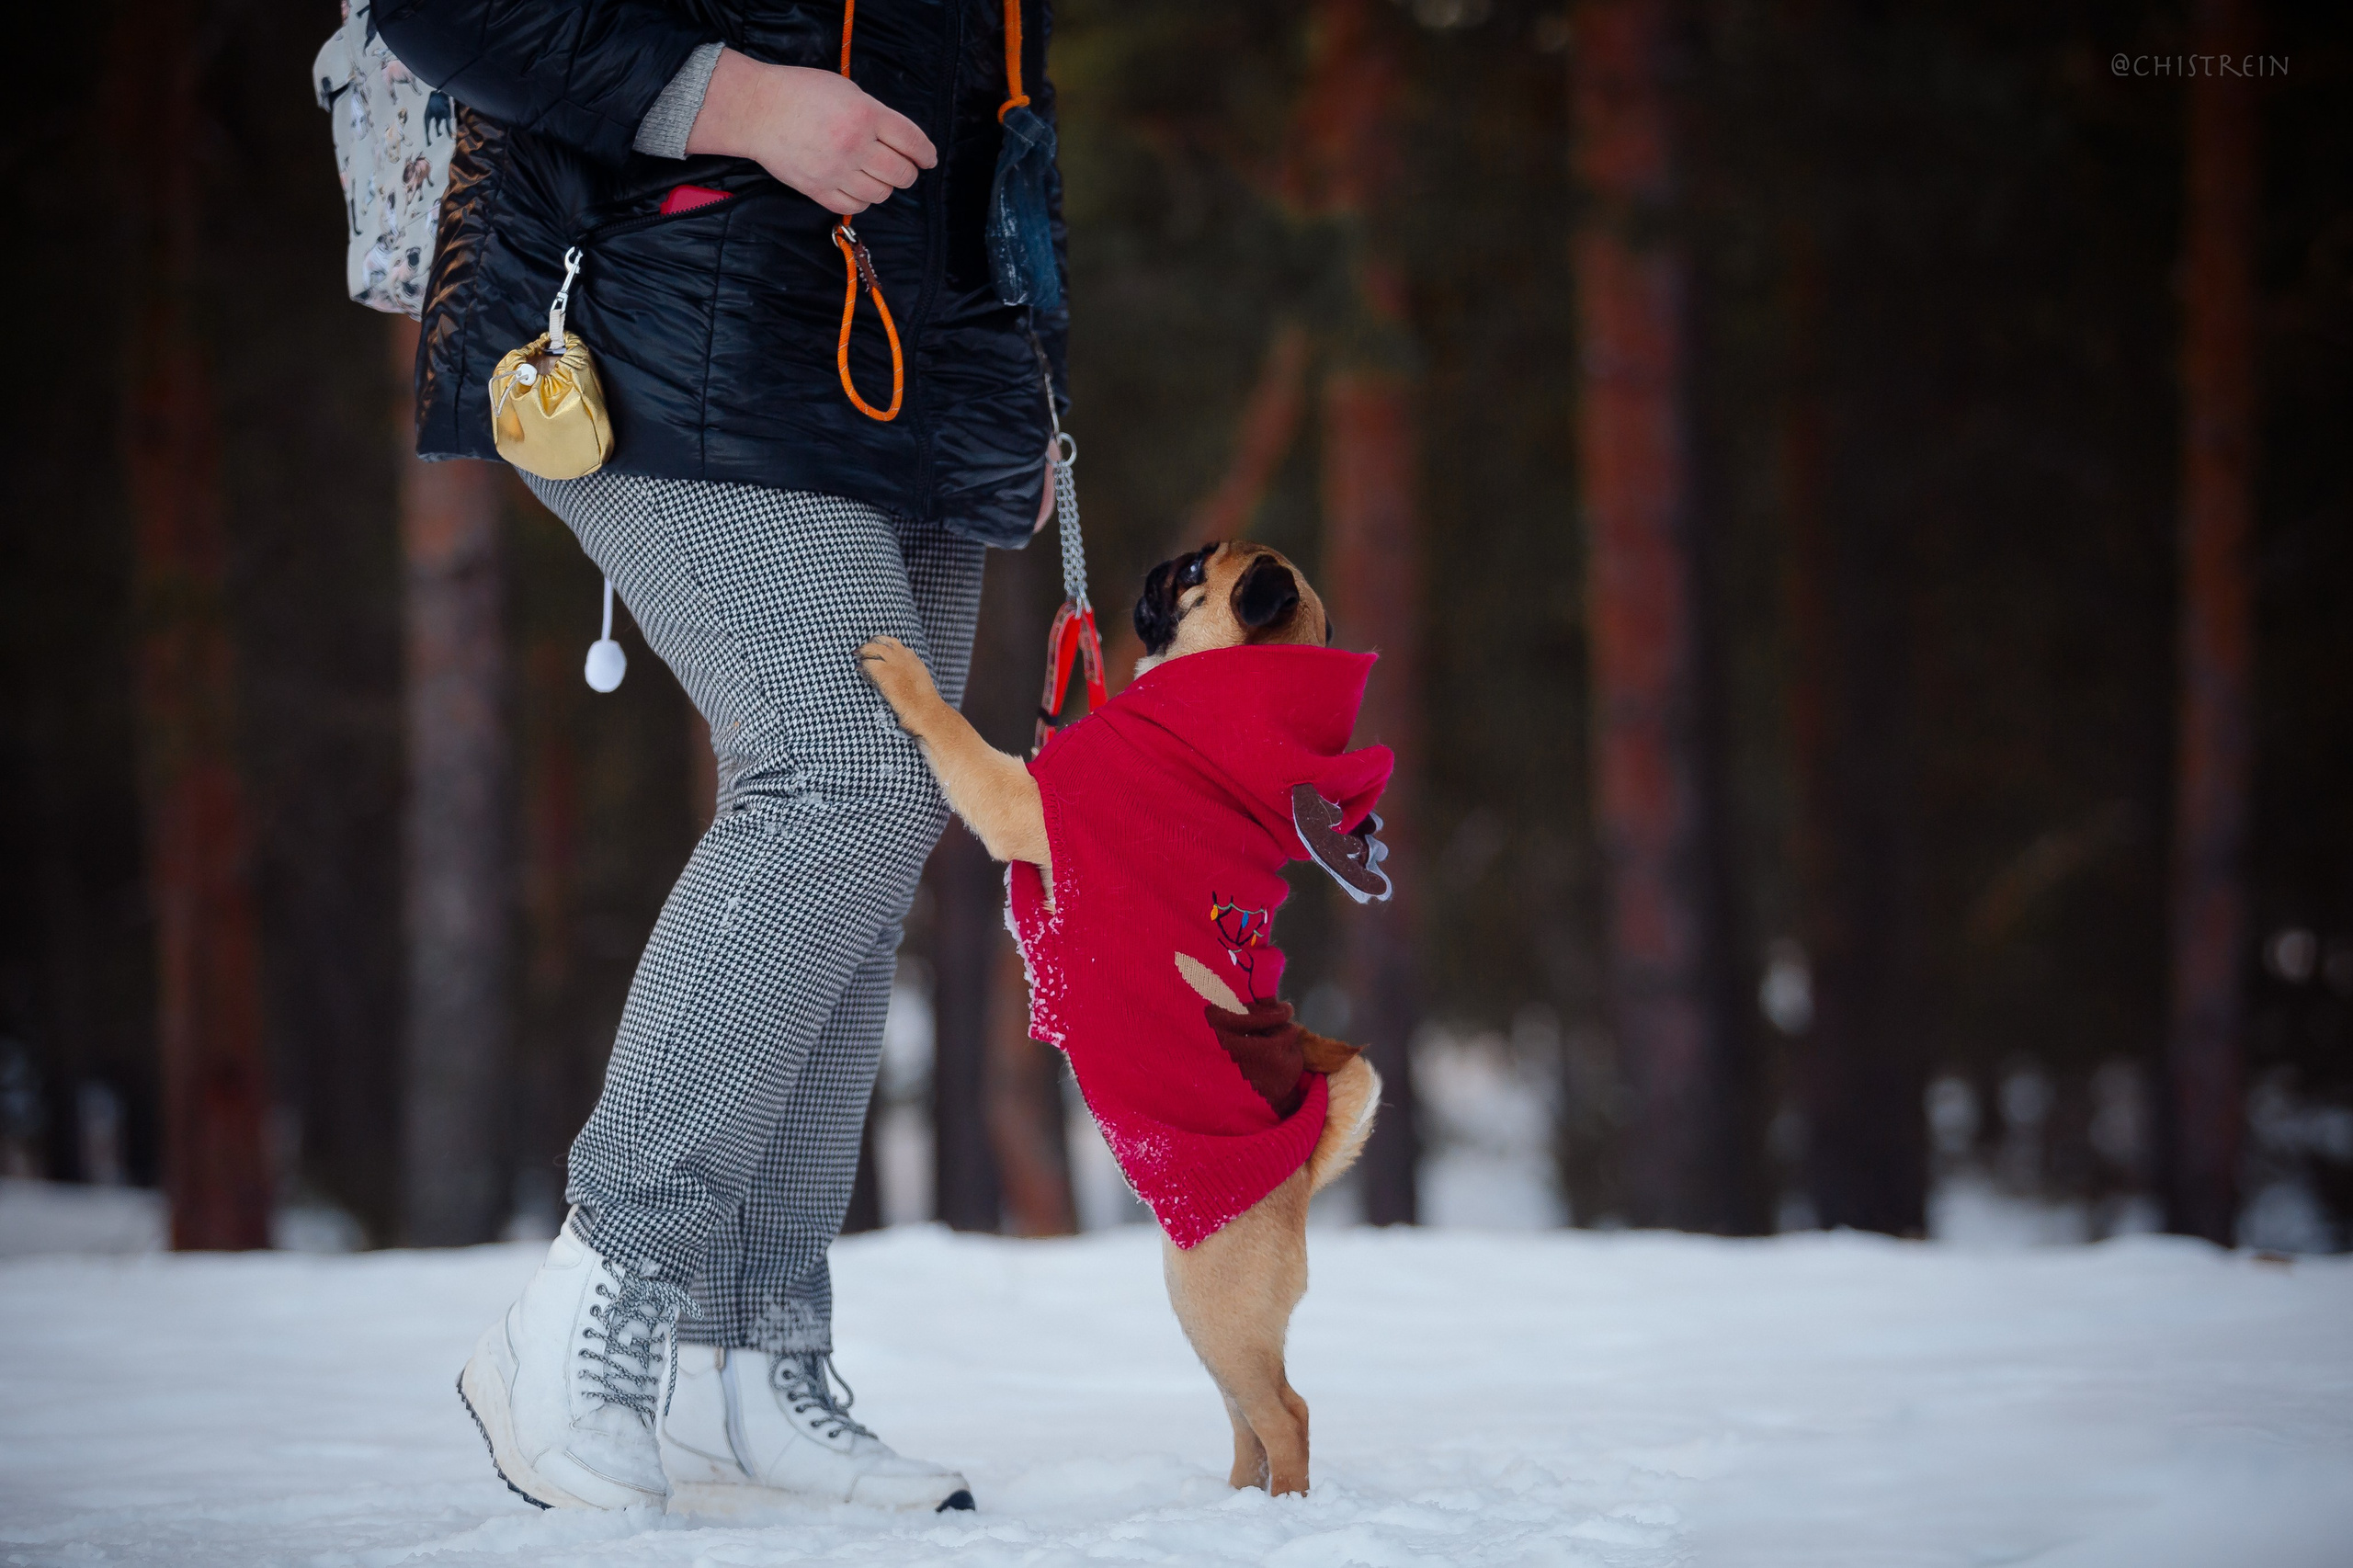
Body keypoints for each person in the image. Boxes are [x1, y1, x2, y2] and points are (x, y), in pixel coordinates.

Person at [377, 0, 1067, 1514]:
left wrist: (1022, 365)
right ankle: (592, 1297)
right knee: (847, 776)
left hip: (925, 358)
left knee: (873, 835)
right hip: (653, 303)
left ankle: (749, 1352)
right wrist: (726, 97)